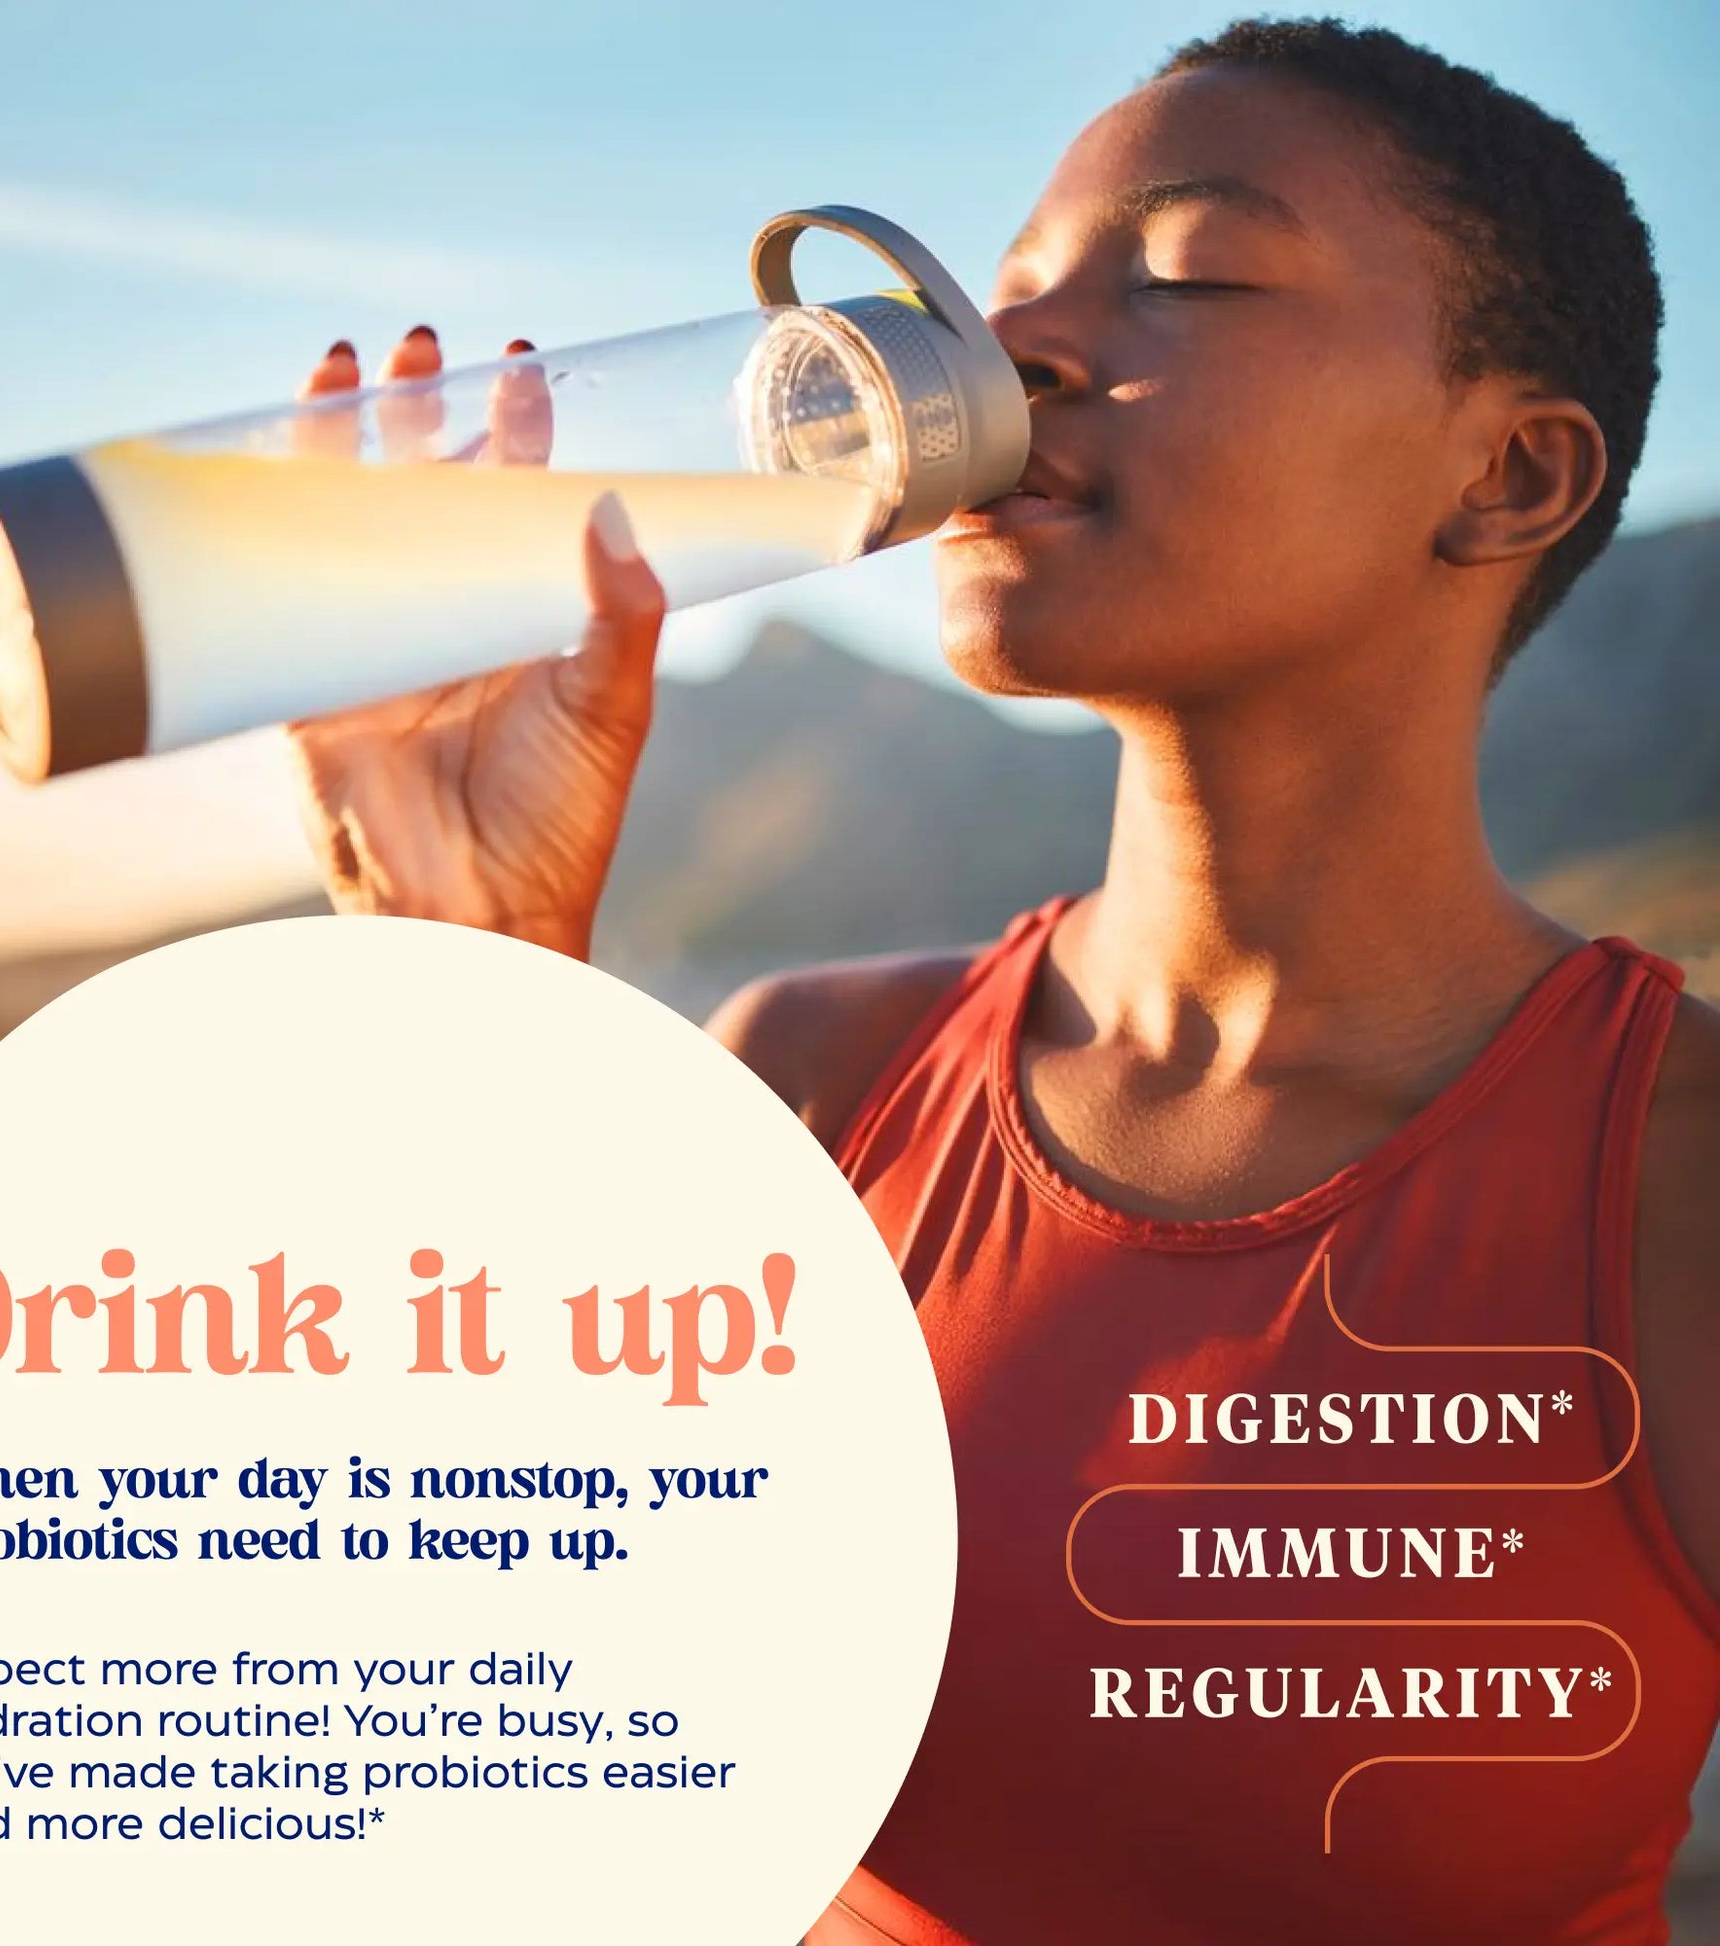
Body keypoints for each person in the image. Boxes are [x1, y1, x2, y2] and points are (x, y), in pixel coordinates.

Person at [282, 19, 1719, 1942]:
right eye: (999, 296)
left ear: (1509, 474)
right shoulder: (815, 1075)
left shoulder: (1674, 1189)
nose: (998, 359)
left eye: (1191, 272)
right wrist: (461, 982)